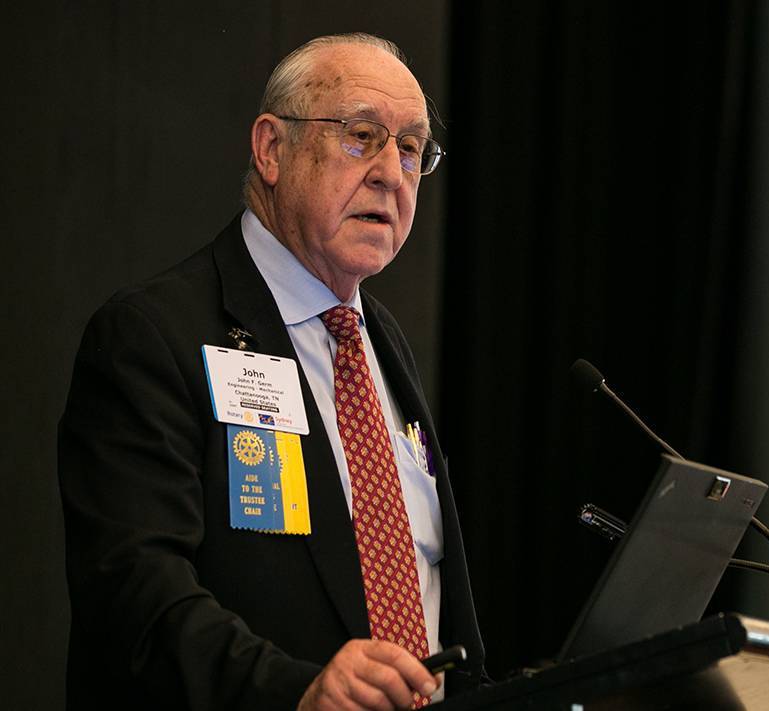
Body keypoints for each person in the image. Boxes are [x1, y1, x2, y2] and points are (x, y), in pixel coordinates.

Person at [58, 33, 484, 710]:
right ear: (271, 149)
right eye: (361, 136)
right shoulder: (153, 336)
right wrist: (299, 691)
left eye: (410, 148)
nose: (391, 173)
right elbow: (134, 596)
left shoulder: (380, 342)